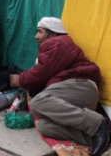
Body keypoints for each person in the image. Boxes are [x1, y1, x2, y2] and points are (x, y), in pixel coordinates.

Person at [9, 17, 110, 156]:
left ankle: (97, 124)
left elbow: (40, 72)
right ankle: (99, 136)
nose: (35, 36)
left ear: (53, 33)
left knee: (38, 103)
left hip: (81, 85)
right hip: (71, 92)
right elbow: (44, 75)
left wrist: (20, 79)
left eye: (40, 32)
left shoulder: (58, 43)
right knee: (45, 127)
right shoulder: (55, 47)